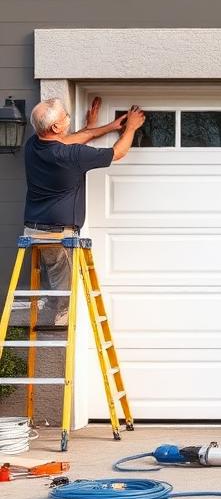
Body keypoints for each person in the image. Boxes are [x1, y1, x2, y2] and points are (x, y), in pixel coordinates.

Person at [23, 96, 145, 326]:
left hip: (33, 229)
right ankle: (61, 318)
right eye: (65, 117)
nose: (68, 118)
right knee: (64, 287)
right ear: (56, 127)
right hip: (59, 235)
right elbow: (117, 152)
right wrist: (130, 128)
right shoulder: (71, 156)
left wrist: (104, 127)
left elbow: (69, 140)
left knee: (55, 275)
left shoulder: (33, 145)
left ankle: (54, 308)